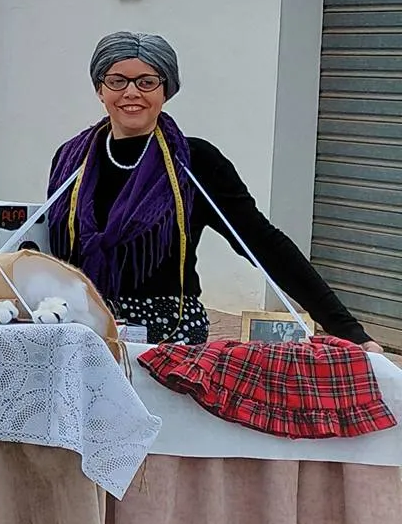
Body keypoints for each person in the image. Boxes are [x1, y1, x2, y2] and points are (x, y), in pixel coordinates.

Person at [47, 31, 378, 349]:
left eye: (147, 82)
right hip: (79, 325)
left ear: (166, 90)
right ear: (100, 90)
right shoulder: (71, 161)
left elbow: (263, 243)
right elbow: (49, 251)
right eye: (117, 81)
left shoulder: (194, 161)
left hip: (167, 335)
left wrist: (349, 331)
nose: (131, 92)